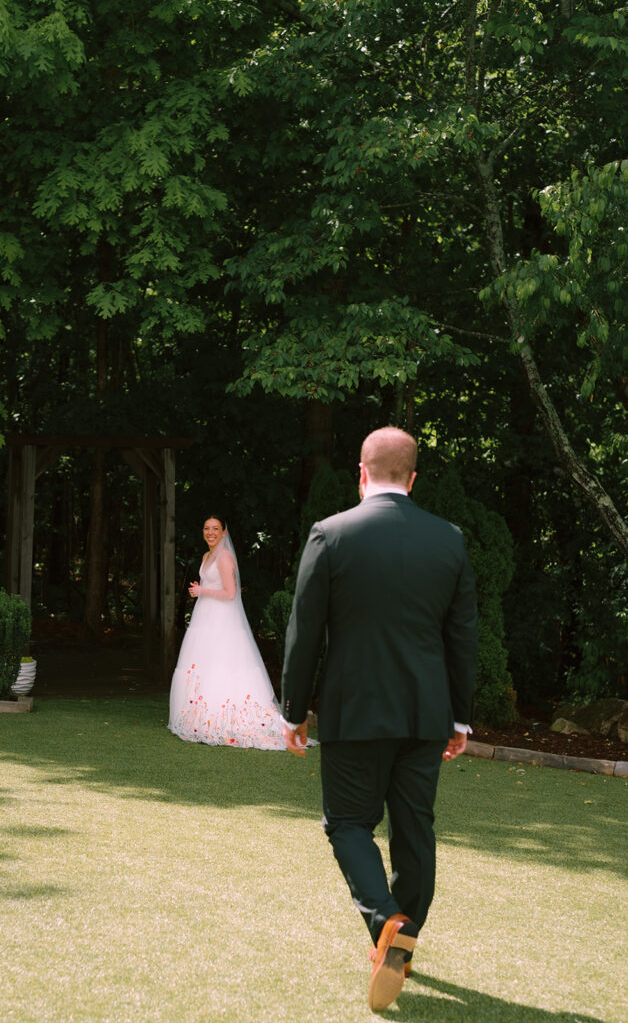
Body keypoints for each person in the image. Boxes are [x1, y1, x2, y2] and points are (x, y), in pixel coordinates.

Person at [280, 427, 478, 1012]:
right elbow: (462, 636)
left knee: (347, 824)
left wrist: (294, 709)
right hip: (424, 713)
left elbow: (304, 629)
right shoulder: (449, 540)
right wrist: (460, 719)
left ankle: (388, 922)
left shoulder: (330, 534)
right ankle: (403, 938)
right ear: (413, 479)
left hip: (354, 709)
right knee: (414, 829)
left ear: (361, 474)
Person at [168, 516, 288, 750]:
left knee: (220, 665)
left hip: (221, 619)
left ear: (224, 533)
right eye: (206, 528)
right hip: (205, 617)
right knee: (202, 664)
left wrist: (203, 590)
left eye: (215, 529)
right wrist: (201, 591)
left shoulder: (224, 557)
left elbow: (231, 594)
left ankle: (225, 720)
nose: (210, 533)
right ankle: (197, 717)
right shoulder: (206, 556)